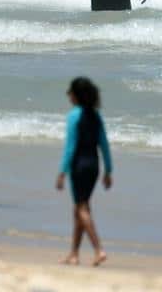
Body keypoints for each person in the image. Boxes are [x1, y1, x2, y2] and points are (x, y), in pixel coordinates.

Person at [56, 77, 112, 267]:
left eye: (70, 92)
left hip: (79, 165)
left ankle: (99, 250)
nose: (68, 95)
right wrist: (108, 171)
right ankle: (74, 254)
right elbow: (104, 145)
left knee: (82, 209)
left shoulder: (74, 116)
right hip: (94, 166)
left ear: (76, 95)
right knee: (79, 208)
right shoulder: (96, 116)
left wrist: (62, 172)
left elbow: (70, 148)